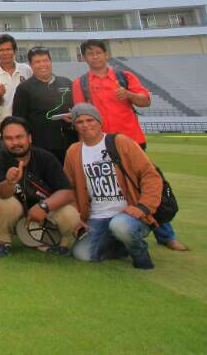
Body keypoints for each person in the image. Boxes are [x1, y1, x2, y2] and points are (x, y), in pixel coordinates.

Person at [73, 39, 188, 252]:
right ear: (84, 58)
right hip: (102, 145)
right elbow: (81, 115)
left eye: (98, 52)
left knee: (148, 187)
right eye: (90, 53)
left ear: (106, 54)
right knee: (106, 191)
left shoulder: (124, 77)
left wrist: (128, 94)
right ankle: (115, 233)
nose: (95, 57)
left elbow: (145, 101)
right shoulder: (80, 84)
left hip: (132, 142)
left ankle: (166, 235)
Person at [65, 103, 162, 269]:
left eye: (90, 120)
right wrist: (76, 217)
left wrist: (143, 207)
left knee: (121, 226)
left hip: (129, 214)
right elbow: (70, 188)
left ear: (99, 121)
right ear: (75, 126)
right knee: (82, 254)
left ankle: (140, 256)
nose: (85, 125)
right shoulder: (73, 151)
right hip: (97, 216)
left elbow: (150, 175)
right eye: (79, 122)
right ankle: (121, 245)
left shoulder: (120, 142)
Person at [0, 116, 81, 258]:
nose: (15, 143)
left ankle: (62, 244)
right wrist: (10, 182)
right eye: (9, 138)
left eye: (19, 137)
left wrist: (43, 207)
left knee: (70, 213)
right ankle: (3, 242)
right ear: (3, 140)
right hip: (16, 214)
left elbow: (66, 192)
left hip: (44, 214)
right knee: (0, 202)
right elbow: (1, 193)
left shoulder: (46, 158)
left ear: (29, 138)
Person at [11, 46, 76, 164]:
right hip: (41, 147)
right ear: (31, 65)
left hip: (70, 143)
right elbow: (18, 121)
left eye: (45, 60)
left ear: (50, 61)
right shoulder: (24, 89)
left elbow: (78, 109)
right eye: (37, 62)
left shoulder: (66, 83)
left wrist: (74, 116)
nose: (42, 65)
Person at [0, 34, 33, 127]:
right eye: (1, 50)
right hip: (3, 126)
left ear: (15, 51)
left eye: (8, 49)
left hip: (25, 124)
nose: (5, 53)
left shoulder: (26, 69)